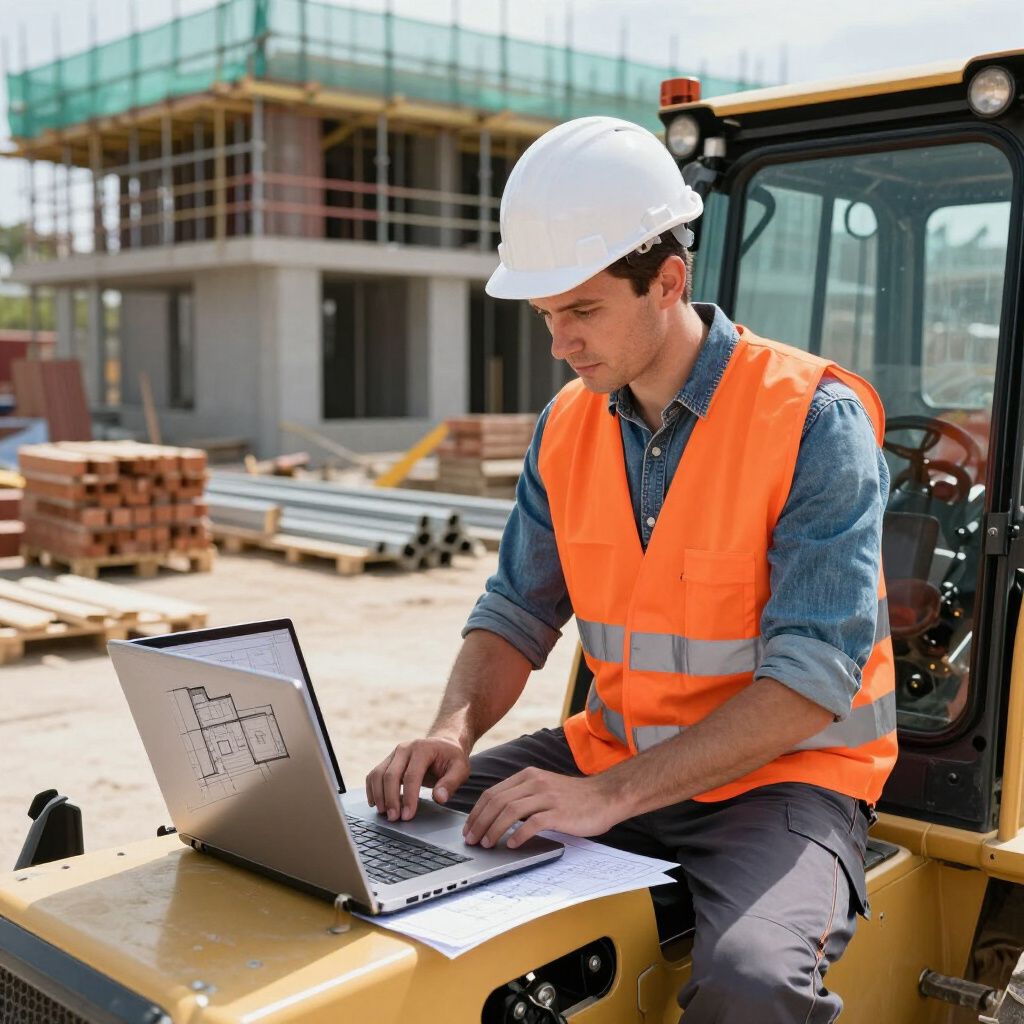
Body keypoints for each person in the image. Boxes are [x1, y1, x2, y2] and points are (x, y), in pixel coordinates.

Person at [366, 116, 897, 1022]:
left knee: (755, 982)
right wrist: (452, 732)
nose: (560, 344)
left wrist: (605, 798)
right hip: (610, 753)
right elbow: (516, 611)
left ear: (669, 282)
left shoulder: (813, 418)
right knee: (379, 837)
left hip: (784, 781)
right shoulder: (567, 424)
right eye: (546, 316)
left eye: (581, 311)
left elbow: (811, 681)